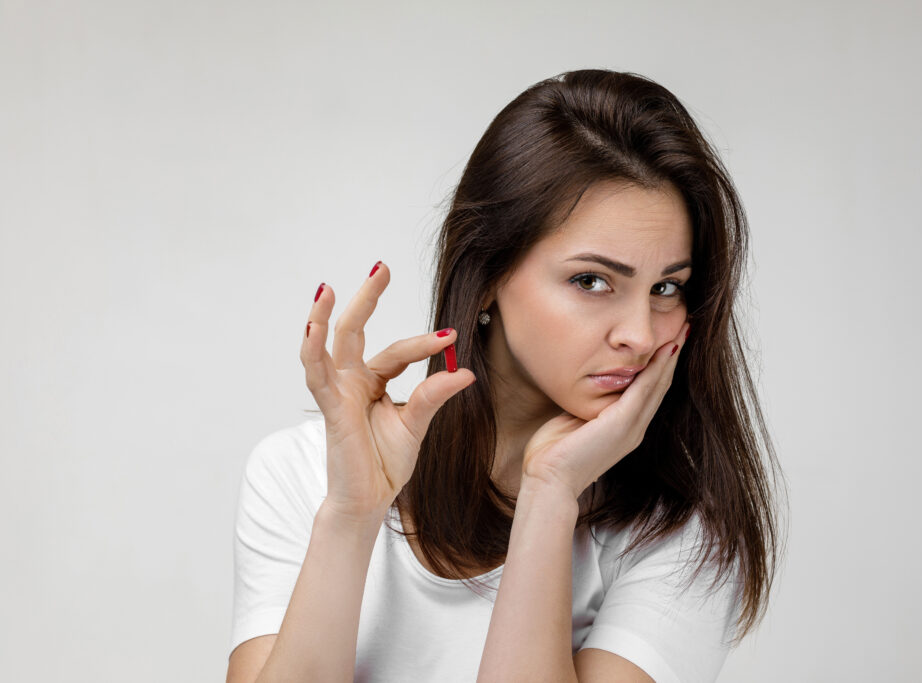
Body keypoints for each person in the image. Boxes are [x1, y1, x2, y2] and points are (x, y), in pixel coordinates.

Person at [227, 69, 785, 683]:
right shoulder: (303, 474)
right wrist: (353, 515)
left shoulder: (679, 537)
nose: (641, 334)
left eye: (667, 288)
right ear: (489, 273)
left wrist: (550, 493)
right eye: (592, 281)